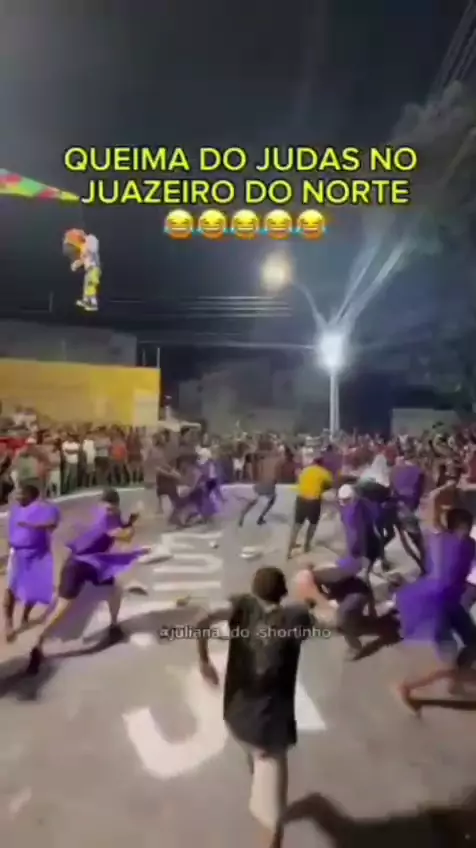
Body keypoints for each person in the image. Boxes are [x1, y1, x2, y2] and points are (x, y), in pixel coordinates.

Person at [194, 566, 323, 848]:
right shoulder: (295, 617)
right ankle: (264, 796)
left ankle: (260, 784)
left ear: (254, 591)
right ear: (283, 593)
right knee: (272, 824)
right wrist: (314, 595)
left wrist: (204, 661)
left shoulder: (241, 605)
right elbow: (335, 620)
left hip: (236, 718)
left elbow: (202, 617)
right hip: (267, 735)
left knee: (253, 760)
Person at [26, 488, 146, 674]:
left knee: (69, 605)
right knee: (110, 591)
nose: (110, 510)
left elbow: (118, 529)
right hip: (84, 566)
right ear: (110, 504)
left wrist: (130, 521)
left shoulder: (100, 513)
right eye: (109, 507)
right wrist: (132, 525)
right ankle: (113, 627)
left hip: (77, 563)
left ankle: (39, 641)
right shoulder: (107, 516)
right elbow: (125, 536)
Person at [394, 507, 476, 713]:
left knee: (474, 643)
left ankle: (456, 678)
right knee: (447, 661)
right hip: (433, 604)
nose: (467, 531)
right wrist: (441, 493)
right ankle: (406, 686)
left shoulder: (470, 545)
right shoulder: (439, 540)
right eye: (464, 527)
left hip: (452, 603)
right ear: (456, 526)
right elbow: (433, 511)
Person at [3, 483, 60, 642]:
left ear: (32, 496)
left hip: (39, 555)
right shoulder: (15, 511)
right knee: (11, 589)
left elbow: (53, 524)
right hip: (18, 554)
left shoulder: (44, 509)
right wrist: (9, 550)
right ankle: (8, 623)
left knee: (34, 590)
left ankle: (25, 615)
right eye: (17, 494)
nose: (18, 497)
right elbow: (11, 532)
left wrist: (32, 525)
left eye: (22, 494)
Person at [286, 458, 333, 558]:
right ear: (321, 464)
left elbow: (299, 481)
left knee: (297, 525)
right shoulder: (324, 472)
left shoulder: (305, 470)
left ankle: (289, 550)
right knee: (313, 524)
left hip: (301, 499)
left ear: (313, 462)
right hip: (313, 501)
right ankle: (307, 545)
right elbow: (329, 485)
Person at [238, 445, 283, 527]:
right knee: (270, 499)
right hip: (268, 483)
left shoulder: (263, 459)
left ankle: (245, 513)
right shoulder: (272, 459)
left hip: (262, 483)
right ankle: (260, 517)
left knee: (255, 499)